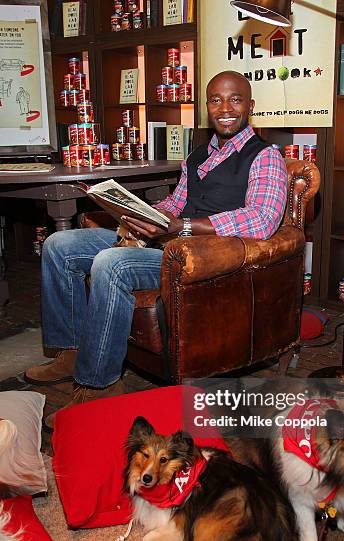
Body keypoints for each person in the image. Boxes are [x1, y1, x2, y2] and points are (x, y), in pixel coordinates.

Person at [25, 70, 288, 422]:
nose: (225, 108)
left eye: (235, 99)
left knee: (110, 263)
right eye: (216, 100)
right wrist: (140, 214)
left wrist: (182, 227)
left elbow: (263, 219)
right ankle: (72, 353)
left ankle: (100, 387)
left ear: (250, 105)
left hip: (204, 258)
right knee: (60, 245)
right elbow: (175, 204)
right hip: (167, 243)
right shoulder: (197, 156)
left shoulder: (265, 156)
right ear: (207, 106)